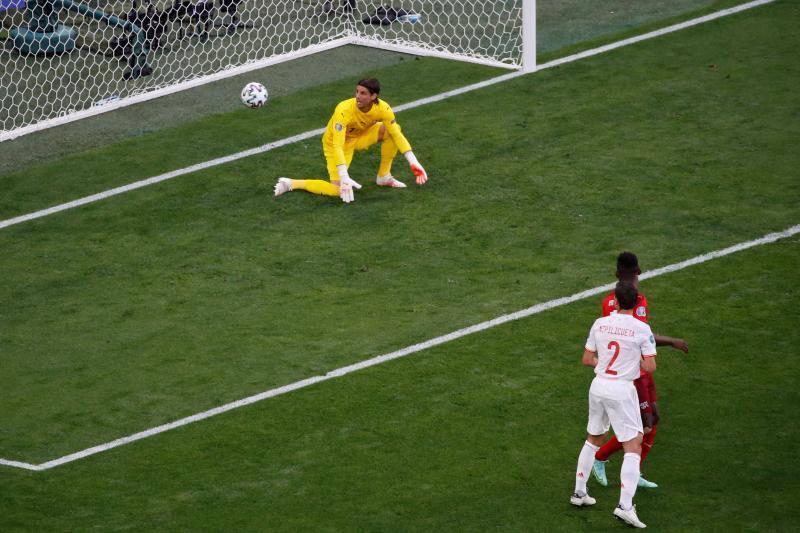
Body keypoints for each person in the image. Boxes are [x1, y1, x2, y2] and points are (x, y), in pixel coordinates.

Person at [592, 252, 689, 489]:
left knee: (653, 419)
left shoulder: (609, 301)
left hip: (634, 371)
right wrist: (672, 341)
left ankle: (631, 472)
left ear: (617, 273)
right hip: (634, 374)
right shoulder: (638, 301)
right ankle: (601, 459)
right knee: (643, 425)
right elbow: (643, 335)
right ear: (639, 271)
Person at [572, 282, 656, 529]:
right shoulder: (642, 328)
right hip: (621, 389)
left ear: (616, 302)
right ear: (636, 303)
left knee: (593, 437)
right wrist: (631, 363)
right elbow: (650, 366)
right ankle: (625, 507)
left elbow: (587, 359)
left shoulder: (600, 323)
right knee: (633, 444)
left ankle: (579, 493)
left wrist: (604, 364)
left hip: (598, 385)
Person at [273, 78, 428, 203]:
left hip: (361, 136)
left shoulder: (383, 108)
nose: (358, 96)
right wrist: (344, 175)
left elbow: (397, 134)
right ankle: (291, 183)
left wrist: (413, 161)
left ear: (374, 97)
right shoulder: (344, 109)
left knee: (392, 131)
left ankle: (384, 177)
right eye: (357, 92)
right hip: (336, 144)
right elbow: (338, 145)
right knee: (337, 190)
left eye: (363, 93)